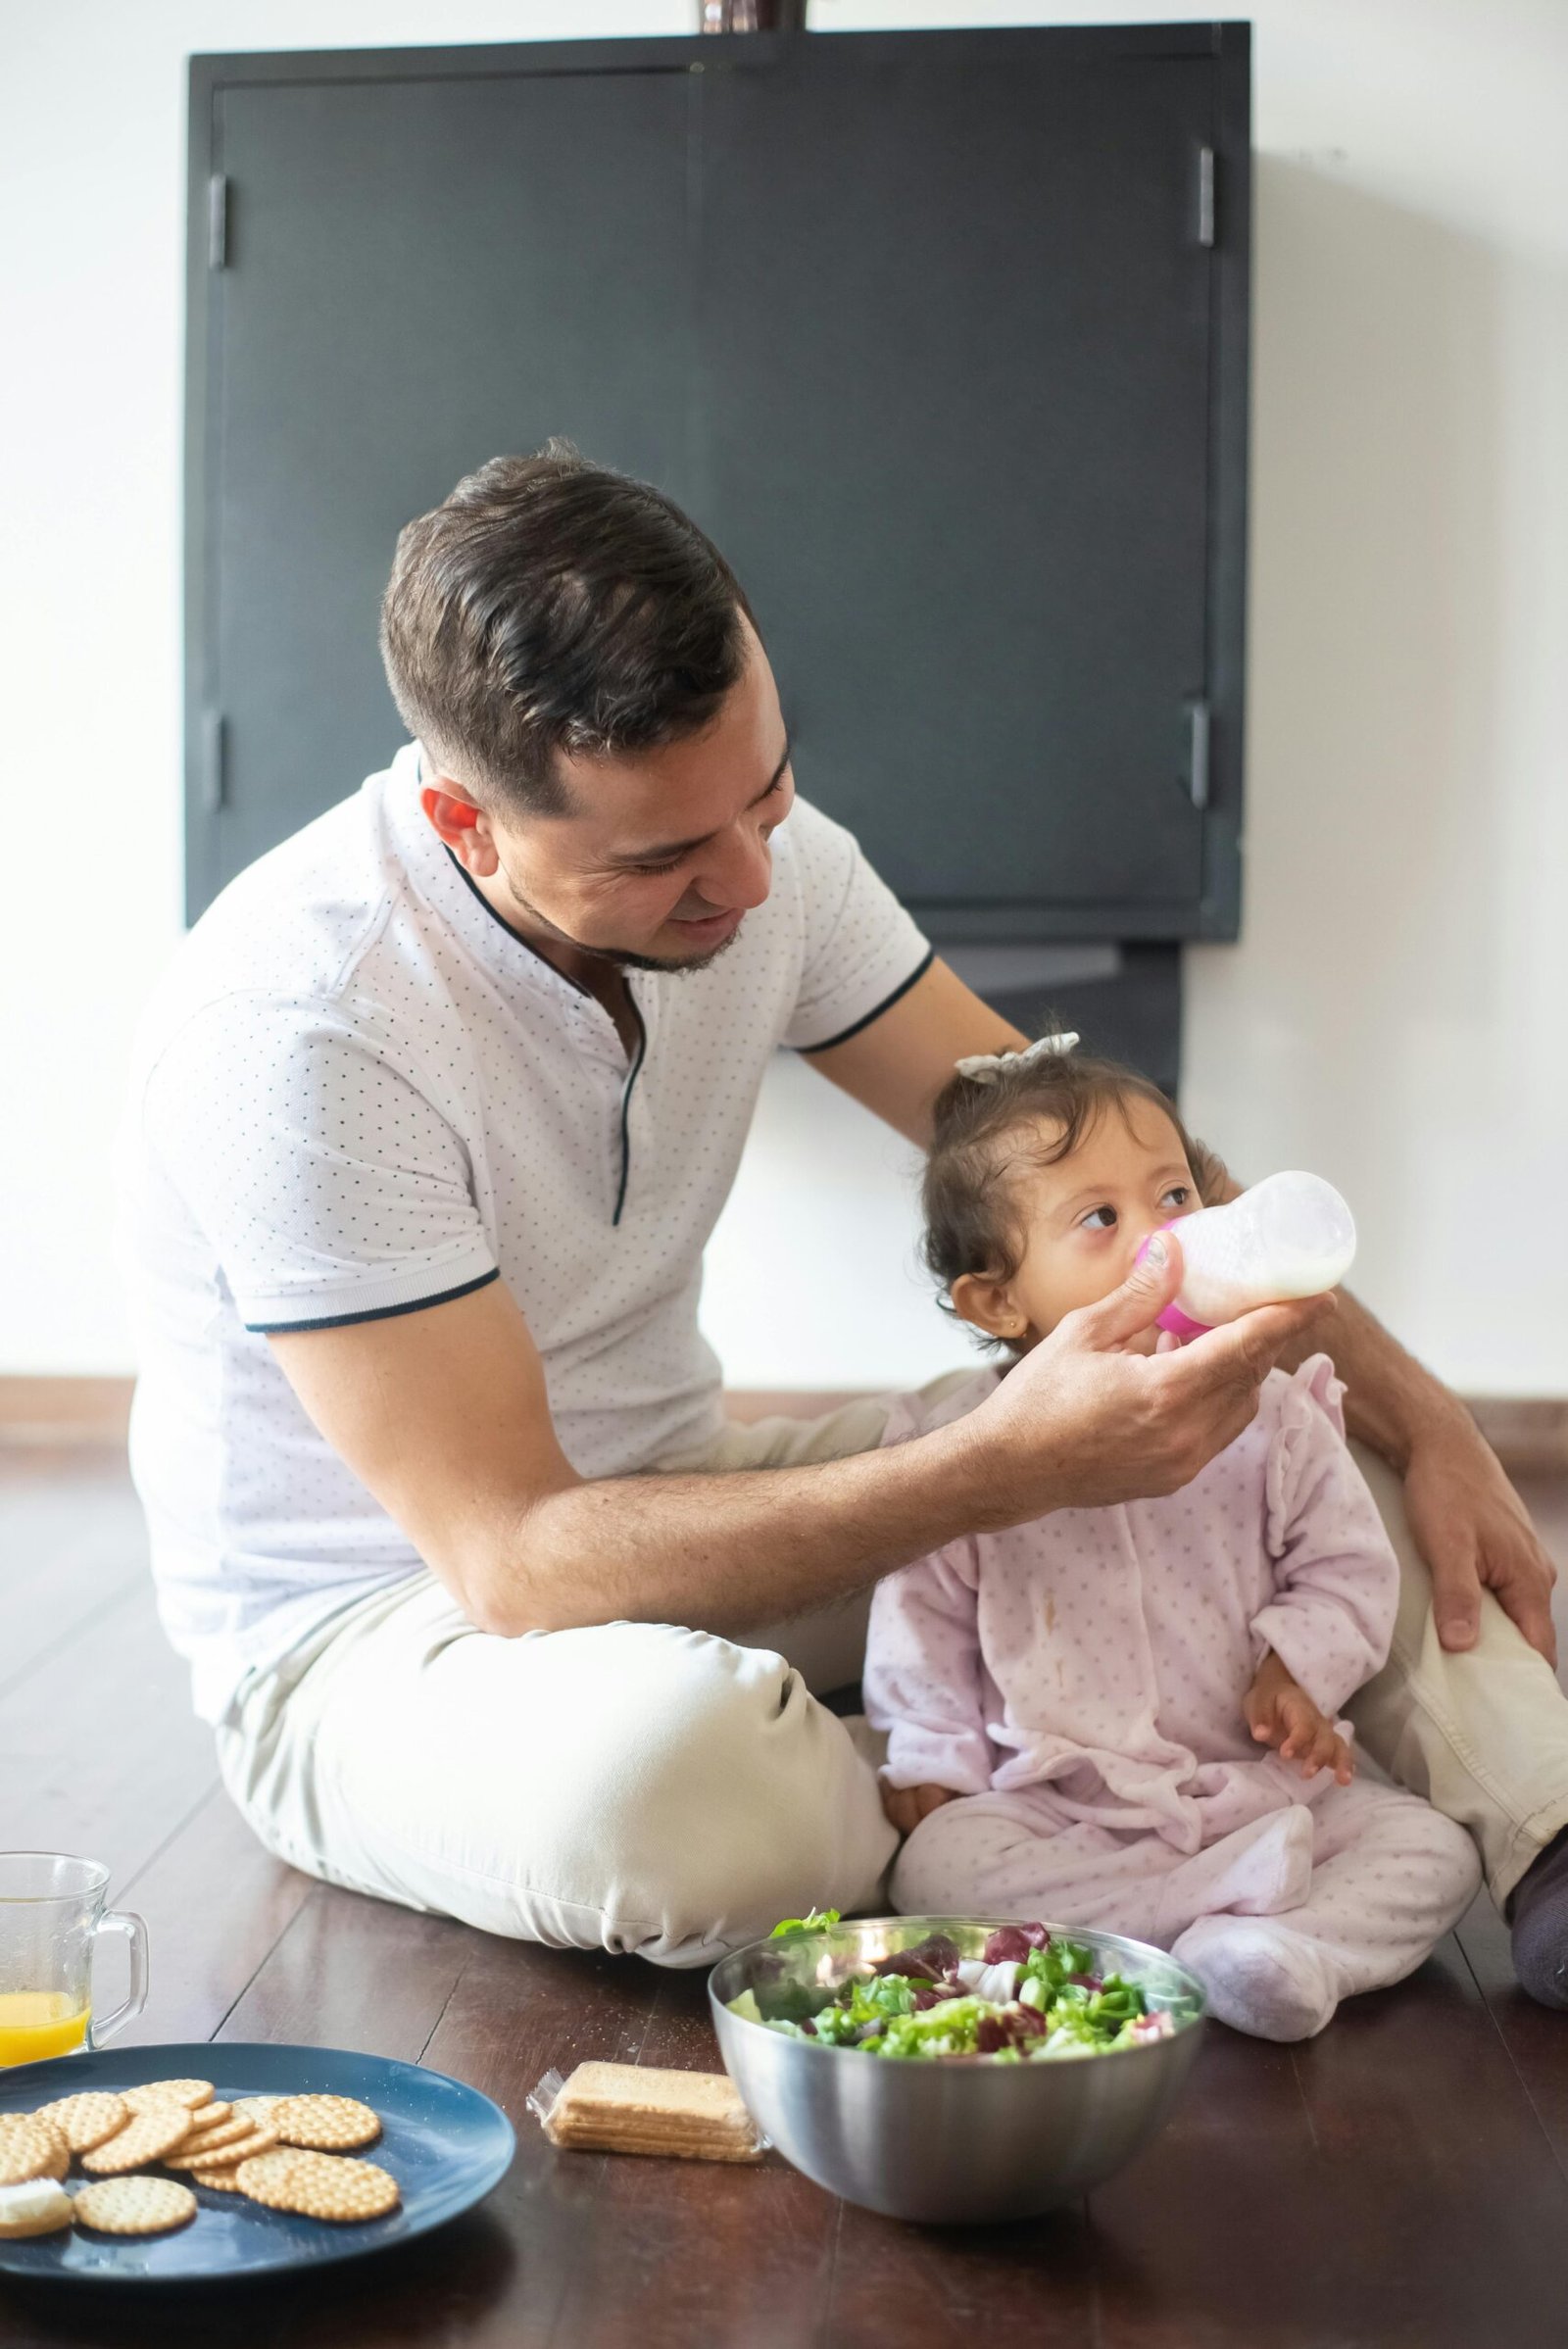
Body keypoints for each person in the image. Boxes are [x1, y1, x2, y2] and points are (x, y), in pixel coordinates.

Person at [117, 445, 1568, 1994]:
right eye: (665, 856)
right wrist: (994, 1473)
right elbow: (515, 1561)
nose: (749, 879)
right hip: (384, 1629)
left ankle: (1542, 1839)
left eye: (769, 787)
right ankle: (1035, 1802)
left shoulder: (771, 866)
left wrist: (1432, 1421)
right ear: (471, 826)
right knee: (681, 1791)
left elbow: (1086, 1158)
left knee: (1268, 1410)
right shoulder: (305, 1025)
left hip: (683, 1497)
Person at [863, 1038, 1482, 2039]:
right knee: (941, 1864)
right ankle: (1208, 1916)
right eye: (1101, 1219)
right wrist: (933, 1754)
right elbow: (921, 1617)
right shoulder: (962, 1450)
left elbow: (1345, 1564)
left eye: (1176, 1198)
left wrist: (1297, 1669)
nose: (1163, 1242)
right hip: (1063, 1803)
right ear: (999, 1299)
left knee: (1431, 1852)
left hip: (1259, 1788)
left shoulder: (1274, 1416)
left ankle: (1279, 1955)